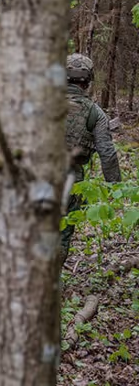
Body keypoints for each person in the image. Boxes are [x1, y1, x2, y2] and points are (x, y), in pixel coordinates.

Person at [61, 53, 121, 265]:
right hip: (70, 180)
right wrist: (115, 187)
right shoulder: (95, 113)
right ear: (88, 80)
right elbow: (107, 153)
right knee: (62, 232)